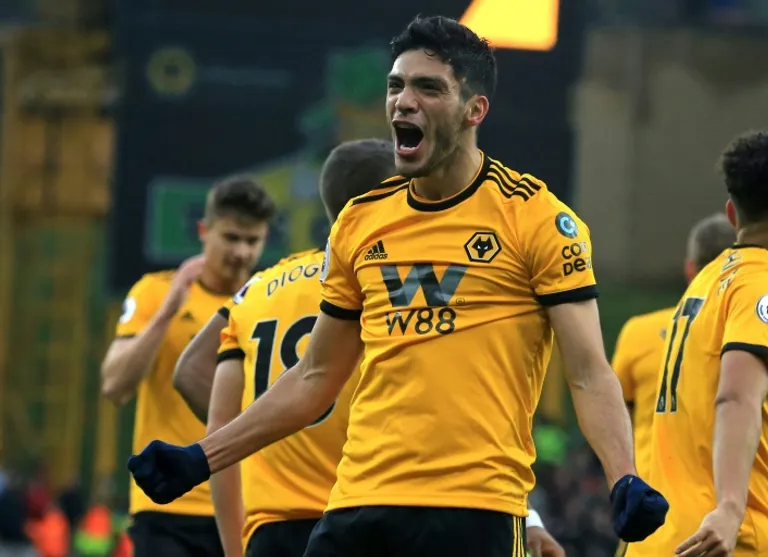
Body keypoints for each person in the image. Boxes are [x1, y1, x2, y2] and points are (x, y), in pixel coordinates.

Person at [127, 15, 668, 557]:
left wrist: (623, 475)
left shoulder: (536, 218)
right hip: (359, 504)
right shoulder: (360, 221)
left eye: (428, 88)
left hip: (474, 510)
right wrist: (200, 457)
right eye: (396, 86)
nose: (403, 102)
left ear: (474, 110)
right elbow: (315, 376)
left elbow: (588, 373)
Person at [174, 139, 565, 557]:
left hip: (273, 526)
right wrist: (527, 515)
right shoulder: (387, 285)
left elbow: (190, 371)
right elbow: (446, 412)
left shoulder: (260, 288)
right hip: (366, 511)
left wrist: (259, 437)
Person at [101, 176, 275, 557]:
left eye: (253, 241)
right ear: (203, 231)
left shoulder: (268, 301)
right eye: (231, 237)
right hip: (168, 502)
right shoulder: (157, 291)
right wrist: (167, 313)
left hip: (244, 503)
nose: (241, 252)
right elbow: (115, 385)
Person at [627, 130, 768, 557]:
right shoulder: (759, 288)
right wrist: (730, 508)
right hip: (729, 538)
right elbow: (736, 397)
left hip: (664, 535)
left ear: (732, 213)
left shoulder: (705, 282)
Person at [612, 213, 736, 480]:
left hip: (652, 493)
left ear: (690, 269)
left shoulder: (638, 333)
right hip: (730, 492)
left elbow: (615, 413)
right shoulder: (749, 333)